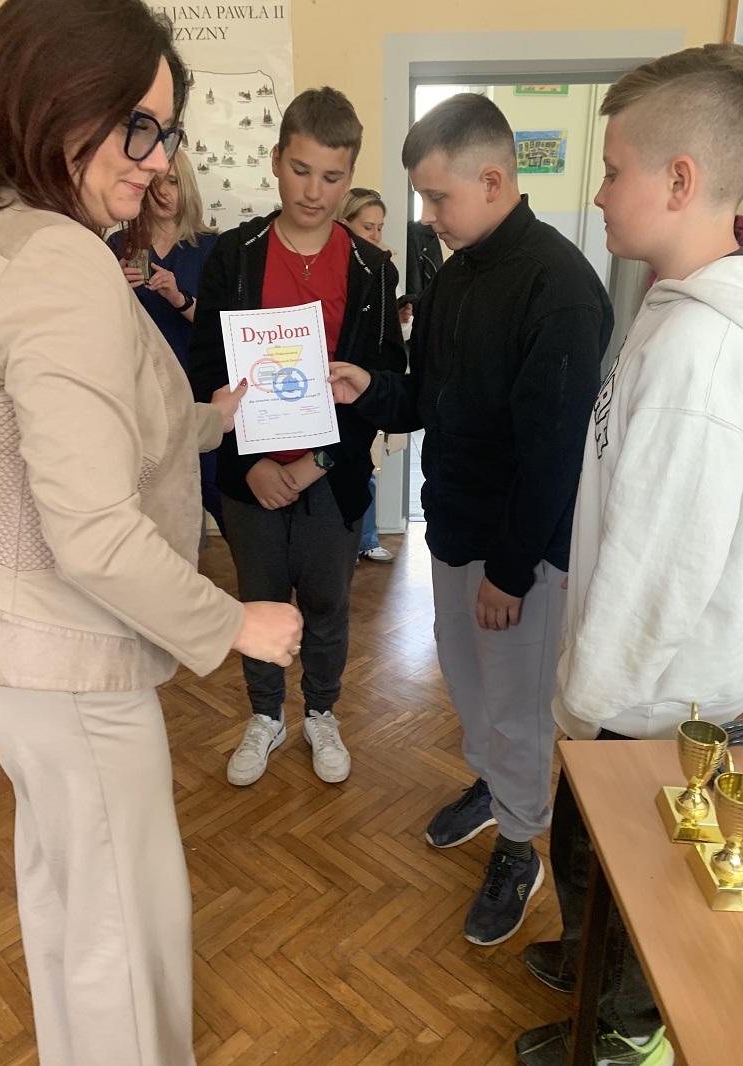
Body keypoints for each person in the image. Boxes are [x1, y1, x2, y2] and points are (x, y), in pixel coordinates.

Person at [0, 2, 302, 1063]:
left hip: (1, 643)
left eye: (165, 130)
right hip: (64, 658)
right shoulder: (56, 260)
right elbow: (94, 531)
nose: (157, 158)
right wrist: (236, 621)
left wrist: (215, 416)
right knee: (124, 935)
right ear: (59, 102)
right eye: (137, 126)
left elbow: (76, 424)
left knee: (67, 897)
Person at [329, 92, 613, 947]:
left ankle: (521, 847)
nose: (427, 215)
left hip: (516, 554)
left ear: (491, 180)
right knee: (470, 684)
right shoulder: (453, 275)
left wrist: (510, 572)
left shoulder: (560, 288)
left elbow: (554, 455)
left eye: (436, 197)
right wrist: (368, 389)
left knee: (519, 705)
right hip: (451, 529)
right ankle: (494, 788)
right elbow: (426, 397)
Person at [517, 42, 743, 1066]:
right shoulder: (669, 307)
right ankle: (588, 962)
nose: (600, 192)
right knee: (586, 857)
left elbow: (663, 565)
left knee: (634, 872)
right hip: (626, 684)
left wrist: (587, 702)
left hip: (650, 698)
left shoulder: (702, 351)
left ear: (680, 180)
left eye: (613, 170)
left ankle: (619, 1034)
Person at [189, 87, 407, 788]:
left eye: (332, 176)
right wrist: (251, 461)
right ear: (277, 160)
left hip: (330, 477)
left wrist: (319, 461)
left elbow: (379, 383)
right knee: (258, 600)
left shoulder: (372, 270)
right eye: (302, 170)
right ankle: (265, 715)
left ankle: (319, 711)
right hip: (249, 476)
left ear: (351, 175)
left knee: (326, 603)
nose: (314, 192)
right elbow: (207, 371)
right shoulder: (235, 255)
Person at [108, 149, 225, 533]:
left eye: (172, 182)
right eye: (156, 182)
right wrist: (116, 292)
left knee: (214, 489)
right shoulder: (119, 245)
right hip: (140, 394)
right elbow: (100, 324)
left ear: (186, 187)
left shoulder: (210, 248)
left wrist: (179, 298)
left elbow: (223, 327)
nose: (163, 192)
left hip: (198, 389)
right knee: (151, 500)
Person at [337, 186, 406, 564]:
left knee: (363, 462)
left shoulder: (383, 269)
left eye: (380, 228)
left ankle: (363, 537)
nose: (376, 236)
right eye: (368, 227)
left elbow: (386, 337)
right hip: (334, 385)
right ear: (343, 222)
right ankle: (351, 540)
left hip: (363, 387)